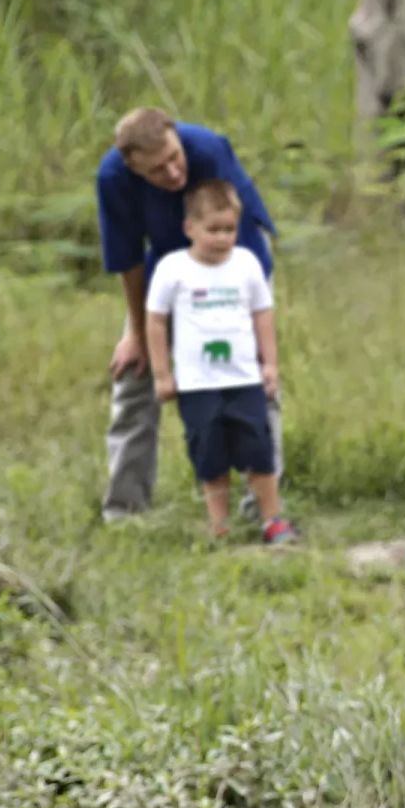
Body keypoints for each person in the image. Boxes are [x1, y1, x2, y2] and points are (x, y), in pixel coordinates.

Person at [96, 108, 280, 520]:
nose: (174, 173)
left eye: (174, 157)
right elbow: (128, 260)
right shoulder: (113, 179)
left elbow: (238, 248)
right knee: (133, 375)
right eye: (157, 170)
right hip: (168, 266)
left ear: (176, 136)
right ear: (133, 167)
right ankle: (125, 510)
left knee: (252, 373)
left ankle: (264, 509)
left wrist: (253, 338)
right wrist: (137, 335)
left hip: (235, 258)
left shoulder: (208, 150)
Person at [145, 179, 296, 546]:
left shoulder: (246, 263)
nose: (222, 238)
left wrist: (270, 365)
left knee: (259, 450)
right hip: (197, 384)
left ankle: (272, 520)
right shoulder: (172, 268)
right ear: (190, 228)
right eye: (213, 230)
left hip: (243, 379)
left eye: (230, 229)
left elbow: (263, 314)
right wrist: (162, 374)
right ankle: (219, 526)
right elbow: (156, 321)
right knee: (209, 455)